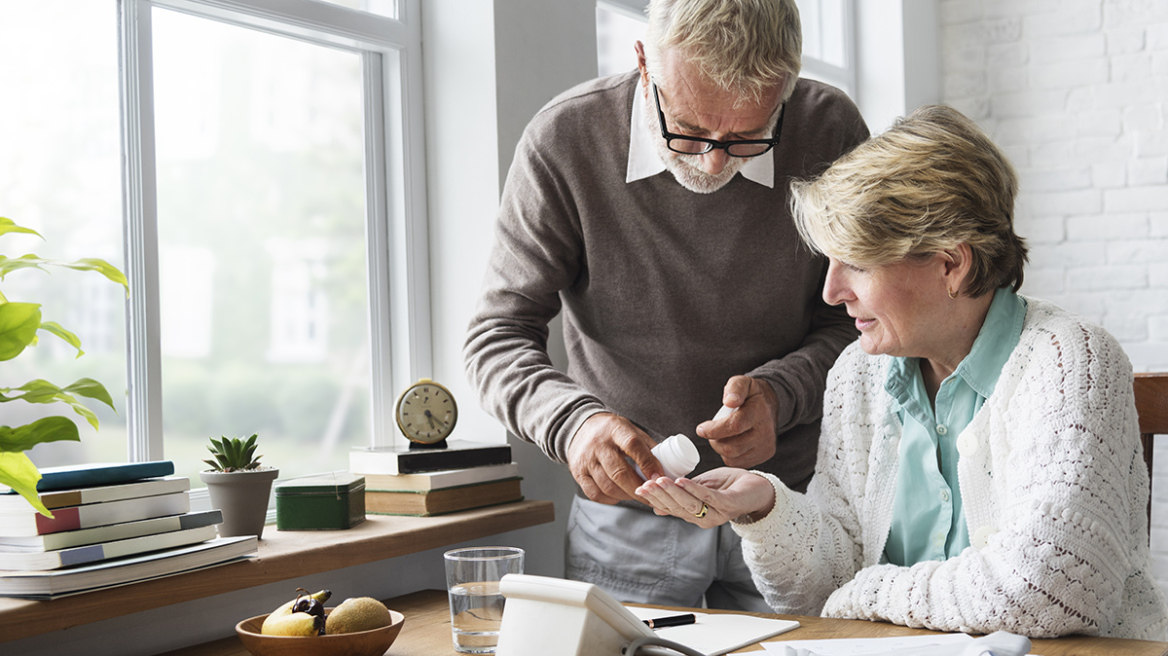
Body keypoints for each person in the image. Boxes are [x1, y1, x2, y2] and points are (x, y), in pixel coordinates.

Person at [634, 104, 1168, 639]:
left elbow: (1054, 589)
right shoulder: (856, 374)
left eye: (857, 263)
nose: (831, 291)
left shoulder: (1070, 360)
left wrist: (869, 591)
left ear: (950, 264)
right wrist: (766, 509)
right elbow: (824, 588)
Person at [463, 0, 868, 611]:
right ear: (643, 62)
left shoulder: (828, 129)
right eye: (690, 129)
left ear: (787, 89)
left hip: (790, 501)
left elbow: (858, 321)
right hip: (629, 516)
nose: (712, 162)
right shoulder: (564, 140)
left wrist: (783, 395)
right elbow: (495, 336)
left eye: (745, 139)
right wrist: (574, 423)